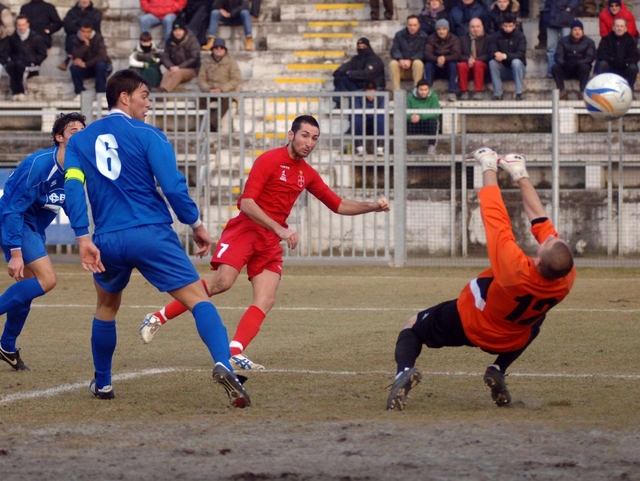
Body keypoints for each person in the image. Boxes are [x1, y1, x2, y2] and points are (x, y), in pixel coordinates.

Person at [139, 115, 390, 370]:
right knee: (222, 283)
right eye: (305, 135)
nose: (309, 143)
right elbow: (247, 203)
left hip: (269, 240)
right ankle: (158, 317)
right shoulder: (269, 160)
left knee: (266, 298)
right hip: (246, 231)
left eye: (314, 138)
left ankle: (234, 351)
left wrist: (372, 207)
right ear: (291, 135)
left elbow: (338, 204)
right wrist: (280, 228)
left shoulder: (307, 173)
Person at [63, 69, 250, 407]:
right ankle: (224, 363)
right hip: (150, 233)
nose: (149, 103)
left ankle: (103, 383)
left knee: (106, 306)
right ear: (125, 97)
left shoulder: (78, 141)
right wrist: (194, 223)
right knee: (198, 299)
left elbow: (73, 187)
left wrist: (81, 237)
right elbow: (172, 184)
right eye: (145, 95)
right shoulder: (149, 134)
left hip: (107, 238)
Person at [387, 146, 576, 411]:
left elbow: (494, 210)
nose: (551, 238)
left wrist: (488, 165)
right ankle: (498, 368)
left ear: (540, 259)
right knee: (537, 320)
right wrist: (520, 174)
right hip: (511, 338)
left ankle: (403, 372)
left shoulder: (513, 267)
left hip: (469, 321)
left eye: (548, 243)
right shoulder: (565, 280)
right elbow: (540, 220)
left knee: (412, 325)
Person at [0, 112, 86, 372]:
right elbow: (12, 210)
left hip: (34, 229)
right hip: (16, 224)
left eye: (84, 130)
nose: (80, 135)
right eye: (74, 131)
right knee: (47, 279)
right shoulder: (40, 164)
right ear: (59, 137)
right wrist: (16, 252)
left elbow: (73, 204)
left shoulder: (78, 168)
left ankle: (7, 346)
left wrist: (87, 240)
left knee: (26, 290)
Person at [197, 38, 241, 132]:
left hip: (226, 92)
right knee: (200, 101)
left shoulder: (231, 62)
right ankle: (208, 124)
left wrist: (221, 89)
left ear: (225, 50)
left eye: (221, 47)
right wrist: (208, 89)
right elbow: (201, 79)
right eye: (216, 47)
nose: (219, 49)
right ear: (212, 49)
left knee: (226, 102)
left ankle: (211, 124)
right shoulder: (206, 62)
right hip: (210, 91)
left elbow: (235, 79)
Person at [333, 38, 385, 106]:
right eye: (359, 47)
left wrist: (350, 73)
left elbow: (367, 74)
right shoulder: (356, 59)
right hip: (359, 86)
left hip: (373, 87)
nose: (361, 49)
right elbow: (347, 66)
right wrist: (338, 72)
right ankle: (338, 102)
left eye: (363, 47)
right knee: (342, 78)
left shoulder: (375, 59)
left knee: (355, 96)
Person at [5, 15, 47, 101]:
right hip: (16, 63)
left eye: (23, 25)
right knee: (11, 66)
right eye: (19, 25)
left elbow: (42, 54)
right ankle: (15, 92)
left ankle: (21, 92)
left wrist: (34, 60)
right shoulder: (12, 38)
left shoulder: (36, 38)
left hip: (31, 65)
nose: (21, 27)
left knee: (20, 67)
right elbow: (8, 52)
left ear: (28, 24)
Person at [551, 19, 595, 99]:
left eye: (579, 29)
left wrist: (578, 63)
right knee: (555, 67)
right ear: (571, 31)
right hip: (566, 69)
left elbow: (590, 57)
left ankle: (582, 91)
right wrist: (565, 63)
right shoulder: (563, 41)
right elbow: (558, 56)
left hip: (580, 70)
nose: (577, 32)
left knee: (586, 67)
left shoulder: (589, 42)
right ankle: (562, 91)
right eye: (575, 29)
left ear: (582, 31)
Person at [69, 19, 112, 99]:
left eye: (88, 32)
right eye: (83, 31)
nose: (85, 34)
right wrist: (85, 45)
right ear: (80, 30)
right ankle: (80, 93)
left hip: (101, 67)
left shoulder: (98, 38)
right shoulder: (76, 39)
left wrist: (85, 64)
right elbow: (76, 56)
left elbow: (102, 56)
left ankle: (101, 93)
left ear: (91, 31)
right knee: (74, 68)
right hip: (87, 69)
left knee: (101, 65)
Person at [155, 19, 200, 93]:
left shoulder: (192, 40)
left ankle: (164, 90)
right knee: (167, 73)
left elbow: (194, 58)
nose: (177, 33)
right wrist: (171, 66)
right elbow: (165, 56)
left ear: (184, 30)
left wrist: (179, 67)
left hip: (192, 69)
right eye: (175, 31)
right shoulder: (170, 40)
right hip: (175, 67)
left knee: (178, 73)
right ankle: (162, 92)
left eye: (180, 30)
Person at [488, 14, 526, 100]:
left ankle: (519, 93)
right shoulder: (495, 36)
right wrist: (495, 54)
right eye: (505, 26)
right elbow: (490, 52)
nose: (508, 28)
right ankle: (498, 94)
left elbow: (521, 54)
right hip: (503, 69)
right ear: (502, 25)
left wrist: (505, 56)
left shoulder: (520, 36)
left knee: (516, 62)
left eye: (510, 26)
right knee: (492, 63)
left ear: (515, 26)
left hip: (518, 70)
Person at [596, 18, 639, 92]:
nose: (619, 28)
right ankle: (601, 89)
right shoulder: (606, 39)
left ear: (625, 28)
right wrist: (612, 60)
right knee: (602, 64)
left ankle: (630, 90)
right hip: (610, 66)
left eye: (621, 26)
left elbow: (635, 55)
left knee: (633, 67)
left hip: (624, 67)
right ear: (613, 28)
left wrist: (625, 62)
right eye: (617, 26)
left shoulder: (630, 40)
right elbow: (601, 54)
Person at [424, 19, 461, 102]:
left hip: (448, 67)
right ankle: (428, 91)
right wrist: (437, 59)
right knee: (428, 65)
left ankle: (452, 92)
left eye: (444, 29)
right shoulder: (431, 38)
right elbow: (427, 53)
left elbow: (457, 54)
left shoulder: (454, 39)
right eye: (439, 29)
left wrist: (445, 58)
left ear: (447, 29)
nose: (441, 32)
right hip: (435, 66)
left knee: (453, 64)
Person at [59, 0, 102, 71]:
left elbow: (93, 25)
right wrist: (80, 32)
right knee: (72, 37)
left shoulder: (96, 12)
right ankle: (75, 59)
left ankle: (70, 58)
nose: (84, 1)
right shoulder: (71, 12)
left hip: (91, 40)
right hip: (76, 38)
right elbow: (67, 27)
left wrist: (77, 21)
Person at [389, 15, 428, 91]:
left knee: (418, 63)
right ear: (407, 25)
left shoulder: (424, 36)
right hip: (401, 67)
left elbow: (422, 52)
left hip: (415, 69)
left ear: (419, 25)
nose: (412, 27)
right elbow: (394, 49)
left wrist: (410, 60)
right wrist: (400, 59)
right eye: (410, 25)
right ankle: (397, 91)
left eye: (414, 25)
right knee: (393, 63)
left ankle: (416, 90)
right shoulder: (399, 35)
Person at [457, 17, 490, 100]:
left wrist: (476, 60)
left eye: (478, 26)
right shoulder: (463, 39)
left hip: (482, 67)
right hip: (468, 65)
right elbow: (458, 54)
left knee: (478, 64)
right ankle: (464, 91)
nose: (475, 29)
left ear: (482, 27)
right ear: (469, 28)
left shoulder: (488, 39)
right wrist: (468, 59)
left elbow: (490, 54)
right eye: (473, 27)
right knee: (461, 65)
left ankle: (478, 91)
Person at [544, 0, 579, 77]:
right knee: (551, 48)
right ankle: (551, 72)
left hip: (565, 16)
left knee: (567, 48)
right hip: (550, 14)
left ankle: (566, 72)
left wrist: (569, 8)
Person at [406, 79, 440, 152]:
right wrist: (410, 117)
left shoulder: (434, 97)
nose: (423, 92)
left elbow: (436, 113)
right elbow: (404, 111)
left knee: (433, 121)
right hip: (413, 123)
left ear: (429, 89)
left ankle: (431, 145)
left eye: (425, 90)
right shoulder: (410, 97)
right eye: (421, 89)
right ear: (417, 89)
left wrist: (420, 116)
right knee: (401, 122)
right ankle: (402, 147)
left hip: (427, 125)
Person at [353, 82, 385, 155]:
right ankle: (360, 148)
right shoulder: (358, 96)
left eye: (372, 93)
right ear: (364, 92)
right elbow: (357, 109)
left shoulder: (381, 96)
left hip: (376, 122)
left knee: (381, 118)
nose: (370, 96)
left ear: (376, 92)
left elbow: (382, 110)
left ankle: (380, 148)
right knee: (356, 117)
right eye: (368, 94)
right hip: (363, 122)